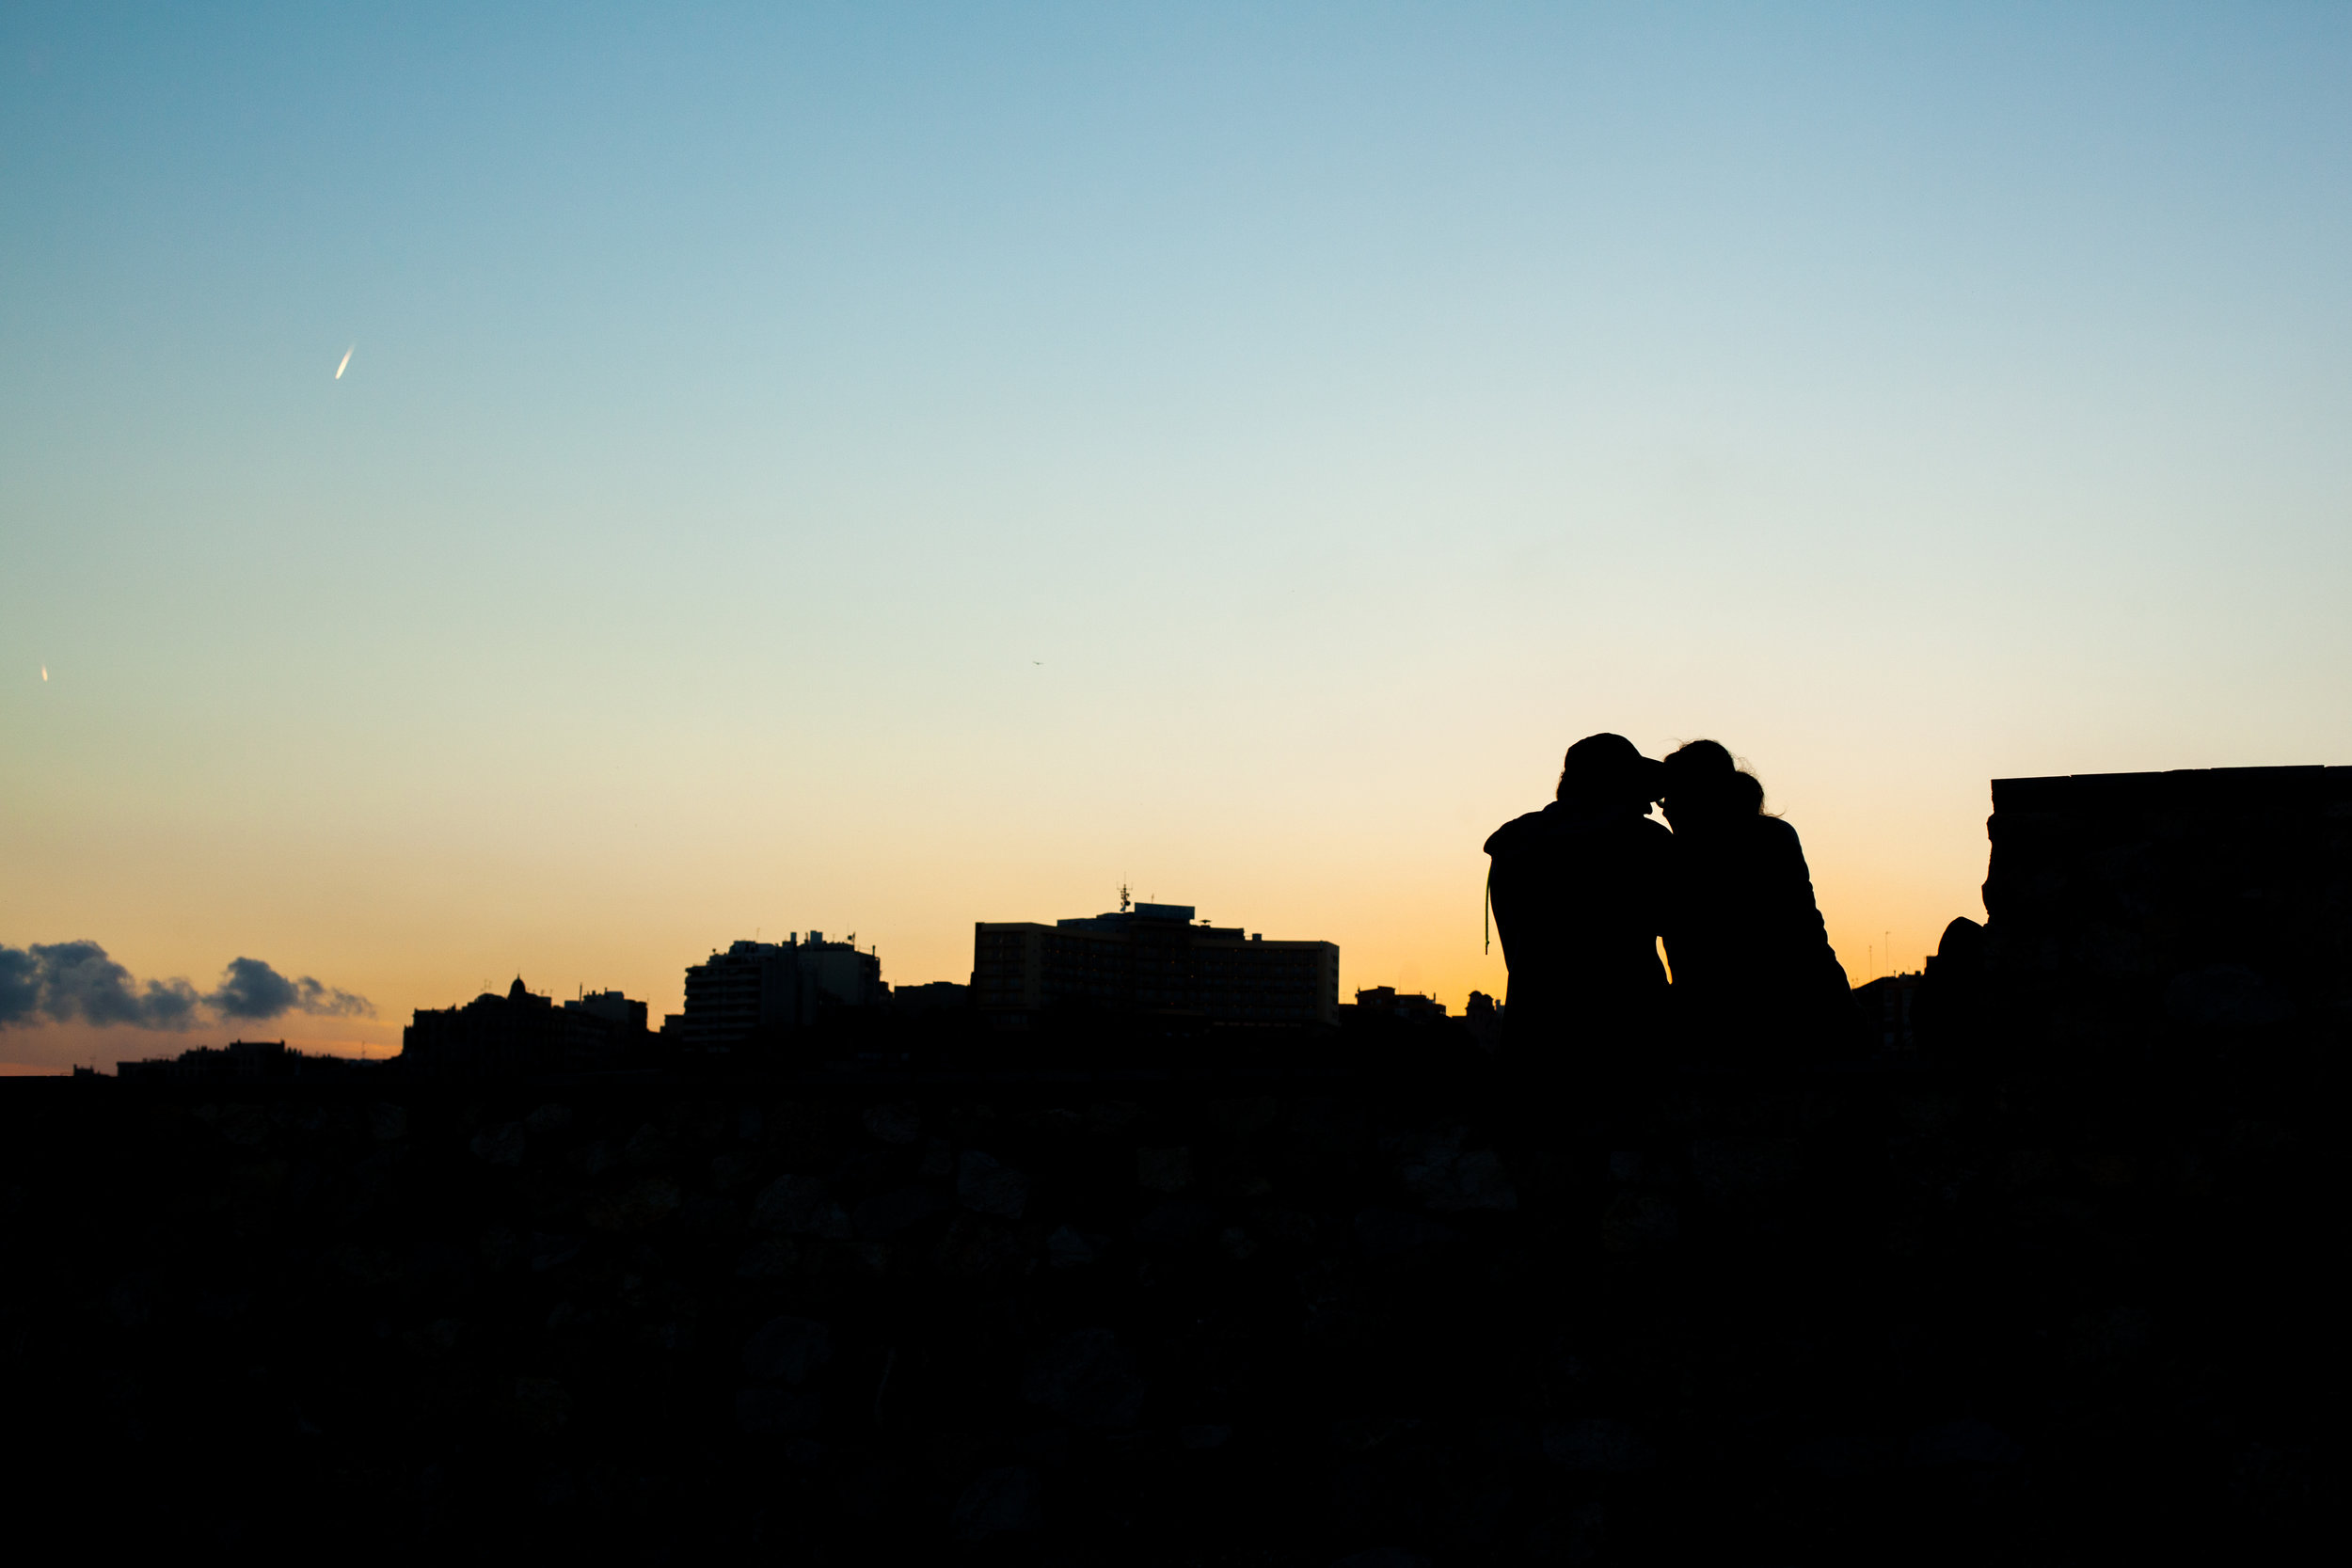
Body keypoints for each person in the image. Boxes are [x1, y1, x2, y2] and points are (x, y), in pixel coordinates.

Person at [1483, 734, 1673, 1084]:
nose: (1650, 806)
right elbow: (1684, 926)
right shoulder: (1645, 842)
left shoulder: (1515, 844)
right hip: (1629, 1034)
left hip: (1535, 1037)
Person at [1658, 740, 1860, 1061]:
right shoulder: (1773, 836)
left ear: (1696, 797)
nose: (1663, 808)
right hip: (1815, 1014)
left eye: (1669, 797)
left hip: (1760, 1029)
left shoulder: (1683, 857)